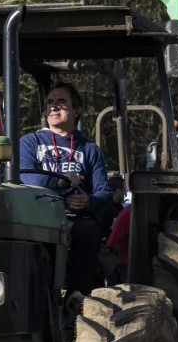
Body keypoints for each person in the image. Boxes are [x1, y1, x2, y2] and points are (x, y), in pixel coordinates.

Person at [19, 83, 111, 297]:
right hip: (37, 216)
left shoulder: (90, 150)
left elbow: (104, 193)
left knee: (88, 232)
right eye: (50, 102)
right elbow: (25, 176)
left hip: (74, 219)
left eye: (61, 102)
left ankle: (77, 299)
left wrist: (88, 201)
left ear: (76, 109)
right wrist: (60, 182)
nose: (53, 107)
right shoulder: (30, 142)